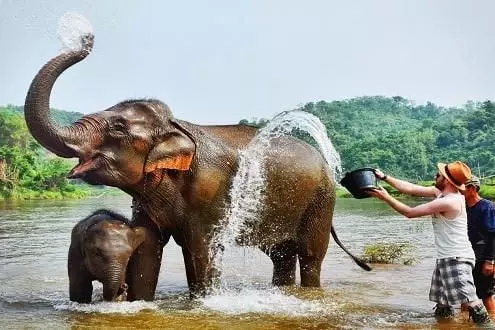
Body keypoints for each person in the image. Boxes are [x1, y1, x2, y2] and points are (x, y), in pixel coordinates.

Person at [368, 161, 492, 325]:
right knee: (442, 302)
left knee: (471, 301)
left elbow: (410, 213)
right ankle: (445, 326)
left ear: (447, 181)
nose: (435, 177)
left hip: (456, 258)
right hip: (446, 257)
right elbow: (410, 188)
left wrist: (385, 197)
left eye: (439, 175)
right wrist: (384, 177)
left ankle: (487, 327)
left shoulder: (450, 201)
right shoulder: (441, 194)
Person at [464, 175, 495, 312]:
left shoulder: (487, 207)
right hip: (466, 256)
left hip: (483, 258)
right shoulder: (462, 207)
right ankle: (463, 325)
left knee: (486, 296)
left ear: (472, 188)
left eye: (462, 188)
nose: (459, 191)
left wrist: (490, 260)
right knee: (464, 296)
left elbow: (493, 235)